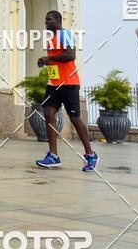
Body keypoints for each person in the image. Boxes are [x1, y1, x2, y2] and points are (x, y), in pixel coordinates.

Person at [35, 10, 98, 172]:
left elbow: (71, 55)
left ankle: (90, 155)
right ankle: (53, 156)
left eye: (49, 20)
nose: (46, 23)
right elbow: (57, 59)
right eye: (45, 20)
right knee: (48, 113)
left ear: (57, 20)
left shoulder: (65, 34)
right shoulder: (52, 39)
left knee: (75, 118)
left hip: (69, 83)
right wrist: (45, 62)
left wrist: (48, 58)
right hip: (54, 83)